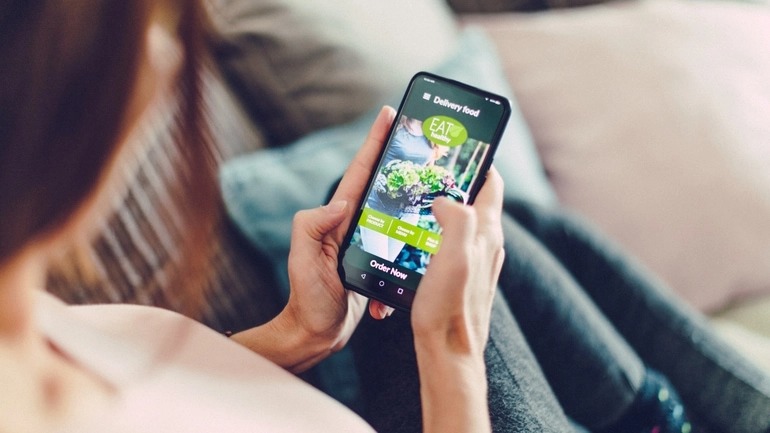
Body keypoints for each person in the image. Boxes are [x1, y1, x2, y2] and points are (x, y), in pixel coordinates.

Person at [0, 1, 522, 432]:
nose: (163, 65)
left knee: (512, 234)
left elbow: (167, 404)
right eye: (145, 34)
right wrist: (452, 354)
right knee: (494, 243)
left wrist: (298, 331)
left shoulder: (42, 320)